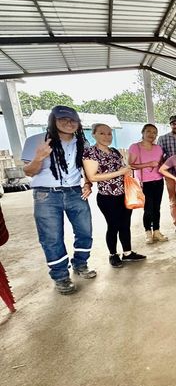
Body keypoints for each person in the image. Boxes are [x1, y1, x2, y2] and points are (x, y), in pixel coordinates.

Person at [22, 105, 95, 295]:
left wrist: (88, 183)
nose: (69, 123)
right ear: (53, 121)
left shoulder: (83, 143)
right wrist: (39, 158)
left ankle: (80, 264)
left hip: (75, 191)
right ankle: (61, 276)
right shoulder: (36, 141)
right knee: (51, 238)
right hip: (46, 194)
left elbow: (86, 169)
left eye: (73, 120)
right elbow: (29, 172)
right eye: (63, 119)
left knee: (85, 231)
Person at [83, 124, 146, 268]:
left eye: (109, 134)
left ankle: (127, 253)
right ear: (93, 134)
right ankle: (113, 254)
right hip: (107, 197)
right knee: (113, 226)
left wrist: (127, 169)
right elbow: (92, 177)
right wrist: (121, 172)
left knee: (125, 224)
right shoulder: (90, 153)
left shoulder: (114, 152)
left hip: (124, 194)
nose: (107, 137)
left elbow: (124, 170)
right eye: (102, 133)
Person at [128, 123, 168, 244]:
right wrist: (148, 164)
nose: (152, 134)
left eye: (154, 132)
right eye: (149, 131)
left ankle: (157, 231)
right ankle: (148, 232)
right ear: (143, 133)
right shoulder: (135, 147)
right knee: (148, 209)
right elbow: (131, 165)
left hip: (159, 180)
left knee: (157, 208)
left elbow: (161, 163)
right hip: (145, 182)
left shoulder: (158, 148)